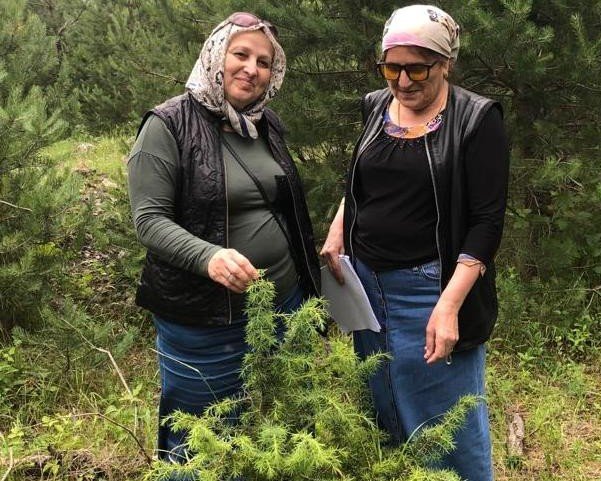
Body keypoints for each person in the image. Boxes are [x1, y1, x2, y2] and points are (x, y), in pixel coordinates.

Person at [320, 4, 509, 480]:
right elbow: (361, 182)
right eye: (392, 67)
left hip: (430, 288)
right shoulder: (374, 106)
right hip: (365, 285)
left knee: (449, 423)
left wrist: (448, 307)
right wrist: (339, 226)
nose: (403, 82)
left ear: (446, 63)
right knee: (383, 404)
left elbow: (486, 222)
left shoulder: (476, 119)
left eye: (417, 68)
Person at [127, 12, 320, 464]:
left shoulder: (265, 123)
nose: (252, 68)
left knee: (283, 426)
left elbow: (283, 205)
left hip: (283, 302)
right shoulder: (167, 124)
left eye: (264, 61)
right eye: (241, 54)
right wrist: (208, 257)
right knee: (203, 437)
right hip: (205, 316)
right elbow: (149, 220)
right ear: (216, 55)